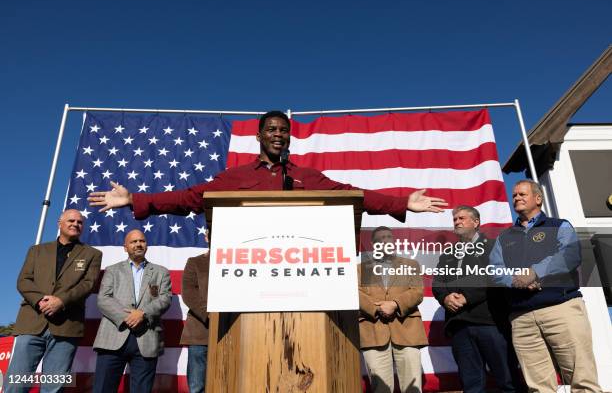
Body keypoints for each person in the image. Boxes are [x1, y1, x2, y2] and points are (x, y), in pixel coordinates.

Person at [87, 111, 447, 220]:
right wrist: (136, 199)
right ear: (259, 136)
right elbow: (189, 198)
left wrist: (403, 203)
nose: (279, 135)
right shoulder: (235, 177)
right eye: (272, 130)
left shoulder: (305, 177)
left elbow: (352, 195)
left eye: (284, 131)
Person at [489, 180, 602, 392]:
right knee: (538, 387)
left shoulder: (559, 226)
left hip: (561, 309)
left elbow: (569, 255)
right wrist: (517, 280)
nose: (517, 198)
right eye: (514, 196)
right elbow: (494, 271)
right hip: (522, 319)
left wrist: (534, 272)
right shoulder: (504, 237)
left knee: (582, 380)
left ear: (538, 199)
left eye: (522, 194)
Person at [5, 209, 102, 393]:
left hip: (67, 327)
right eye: (71, 220)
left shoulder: (92, 254)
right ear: (60, 223)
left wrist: (61, 301)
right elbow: (23, 280)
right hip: (32, 323)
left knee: (53, 387)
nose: (75, 224)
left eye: (79, 222)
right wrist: (40, 300)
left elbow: (87, 285)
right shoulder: (36, 250)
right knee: (16, 383)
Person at [432, 206, 524, 393]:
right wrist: (445, 297)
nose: (457, 222)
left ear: (476, 222)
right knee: (471, 385)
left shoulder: (493, 246)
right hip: (460, 326)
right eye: (455, 219)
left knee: (507, 380)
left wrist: (467, 296)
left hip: (491, 323)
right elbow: (437, 283)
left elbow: (494, 277)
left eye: (462, 218)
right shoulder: (448, 254)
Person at [92, 229, 172, 393]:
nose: (138, 244)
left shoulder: (161, 271)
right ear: (125, 247)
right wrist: (127, 317)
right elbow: (103, 298)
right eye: (133, 242)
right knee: (103, 388)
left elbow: (165, 299)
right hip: (113, 337)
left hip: (146, 337)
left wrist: (142, 313)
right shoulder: (112, 270)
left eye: (141, 241)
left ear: (146, 245)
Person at [359, 226, 427, 393]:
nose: (386, 240)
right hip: (373, 331)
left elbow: (417, 292)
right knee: (381, 388)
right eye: (381, 238)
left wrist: (395, 304)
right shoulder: (360, 269)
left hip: (407, 331)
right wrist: (377, 309)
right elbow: (355, 293)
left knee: (413, 388)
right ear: (373, 244)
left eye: (389, 237)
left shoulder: (411, 264)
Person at [179, 232, 211, 393]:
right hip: (200, 331)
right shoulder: (196, 262)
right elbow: (189, 293)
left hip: (232, 331)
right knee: (197, 386)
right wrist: (210, 315)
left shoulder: (238, 262)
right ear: (207, 237)